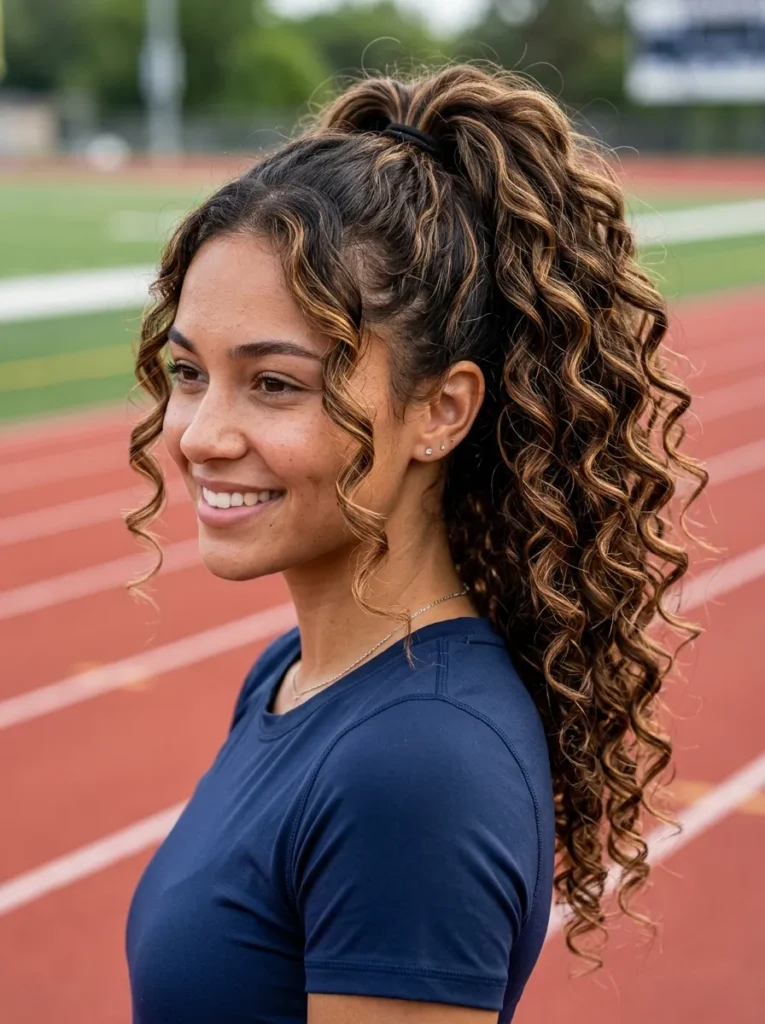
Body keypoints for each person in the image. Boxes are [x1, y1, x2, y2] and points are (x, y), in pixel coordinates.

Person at [123, 65, 706, 1024]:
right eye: (189, 372)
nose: (198, 433)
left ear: (440, 412)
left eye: (274, 383)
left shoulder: (417, 765)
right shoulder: (291, 677)